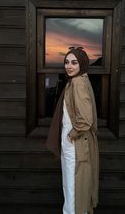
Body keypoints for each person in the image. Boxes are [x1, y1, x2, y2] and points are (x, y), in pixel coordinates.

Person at [46, 47, 99, 214]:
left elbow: (85, 120)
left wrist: (71, 135)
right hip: (72, 144)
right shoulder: (78, 80)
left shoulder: (77, 83)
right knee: (72, 189)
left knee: (73, 190)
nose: (69, 66)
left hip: (75, 146)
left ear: (81, 64)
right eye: (67, 62)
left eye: (74, 62)